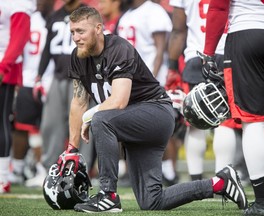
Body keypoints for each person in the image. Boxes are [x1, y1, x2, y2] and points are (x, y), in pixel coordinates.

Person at [59, 6, 247, 213]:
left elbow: (119, 101)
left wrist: (89, 117)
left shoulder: (118, 48)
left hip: (155, 112)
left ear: (97, 28)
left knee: (100, 119)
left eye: (80, 31)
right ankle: (219, 183)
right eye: (72, 32)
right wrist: (72, 150)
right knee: (152, 201)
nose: (76, 38)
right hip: (132, 121)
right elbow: (78, 102)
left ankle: (108, 195)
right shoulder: (78, 57)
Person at [203, 0, 264, 215]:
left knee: (252, 122)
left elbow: (218, 8)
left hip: (246, 33)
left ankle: (262, 201)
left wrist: (208, 53)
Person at [166, 0, 239, 181]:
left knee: (194, 122)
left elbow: (178, 30)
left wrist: (173, 66)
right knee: (225, 121)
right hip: (229, 52)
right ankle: (223, 180)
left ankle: (196, 180)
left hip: (196, 56)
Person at [35, 0, 87, 170]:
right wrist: (39, 74)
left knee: (83, 125)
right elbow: (47, 48)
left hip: (81, 78)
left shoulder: (87, 13)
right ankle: (49, 167)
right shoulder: (55, 16)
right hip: (58, 77)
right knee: (51, 124)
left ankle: (82, 169)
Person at [8, 0, 55, 187]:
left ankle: (44, 168)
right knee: (22, 125)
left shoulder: (58, 19)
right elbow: (18, 45)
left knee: (49, 127)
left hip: (51, 79)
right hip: (28, 77)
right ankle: (18, 168)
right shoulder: (30, 19)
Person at [0, 0, 35, 193]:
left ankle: (2, 177)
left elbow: (19, 38)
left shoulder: (18, 2)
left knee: (1, 120)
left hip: (4, 65)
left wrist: (3, 68)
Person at [117, 0, 172, 86]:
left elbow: (160, 51)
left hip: (155, 81)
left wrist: (152, 80)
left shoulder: (154, 10)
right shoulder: (125, 16)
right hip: (134, 81)